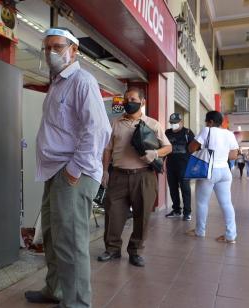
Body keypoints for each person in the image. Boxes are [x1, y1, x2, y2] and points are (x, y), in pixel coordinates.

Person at [24, 27, 111, 308]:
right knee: (51, 235)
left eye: (58, 46)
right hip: (55, 171)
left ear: (74, 50)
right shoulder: (57, 84)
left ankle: (76, 302)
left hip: (73, 172)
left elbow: (97, 130)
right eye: (47, 47)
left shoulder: (82, 81)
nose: (51, 52)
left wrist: (74, 169)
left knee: (71, 241)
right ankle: (56, 290)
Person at [97, 88, 172, 267]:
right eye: (126, 99)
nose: (127, 101)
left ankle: (136, 251)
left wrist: (155, 153)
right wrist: (105, 171)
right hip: (118, 176)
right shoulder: (115, 123)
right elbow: (107, 148)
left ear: (142, 102)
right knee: (113, 214)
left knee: (142, 215)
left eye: (132, 99)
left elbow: (168, 147)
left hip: (144, 176)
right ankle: (112, 249)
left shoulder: (153, 124)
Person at [186, 111, 239, 243]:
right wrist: (221, 154)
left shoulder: (207, 130)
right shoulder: (229, 134)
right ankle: (230, 236)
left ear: (210, 122)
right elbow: (233, 156)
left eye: (206, 122)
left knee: (202, 203)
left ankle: (200, 231)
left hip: (208, 171)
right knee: (227, 204)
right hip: (225, 172)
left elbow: (191, 148)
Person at [164, 113, 194, 221]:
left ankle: (187, 212)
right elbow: (164, 148)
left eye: (175, 123)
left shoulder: (188, 133)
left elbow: (194, 149)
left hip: (184, 166)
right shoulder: (167, 133)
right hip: (171, 165)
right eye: (171, 123)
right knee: (173, 188)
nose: (173, 125)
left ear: (181, 122)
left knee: (185, 189)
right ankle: (176, 210)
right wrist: (162, 163)